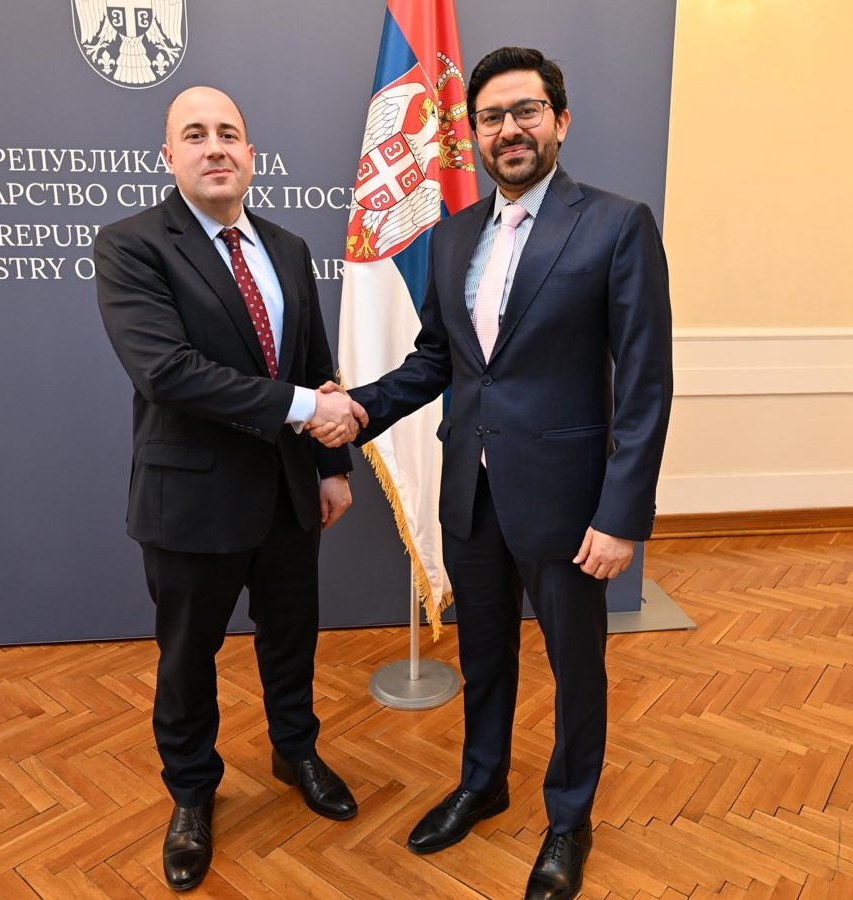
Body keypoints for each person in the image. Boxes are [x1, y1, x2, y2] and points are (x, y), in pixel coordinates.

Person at [334, 46, 673, 900]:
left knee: (576, 669)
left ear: (561, 121)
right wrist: (360, 407)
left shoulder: (617, 225)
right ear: (474, 135)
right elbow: (437, 361)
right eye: (491, 117)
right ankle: (483, 782)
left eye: (526, 111)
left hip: (569, 504)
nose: (509, 129)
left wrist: (621, 514)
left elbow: (645, 385)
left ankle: (569, 819)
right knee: (484, 654)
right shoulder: (454, 235)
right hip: (472, 493)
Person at [94, 85, 365, 892]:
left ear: (250, 155)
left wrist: (332, 466)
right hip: (191, 503)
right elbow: (168, 372)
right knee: (188, 658)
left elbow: (313, 361)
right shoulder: (132, 245)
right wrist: (305, 408)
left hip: (289, 494)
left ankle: (295, 752)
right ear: (168, 156)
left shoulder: (287, 247)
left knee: (292, 639)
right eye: (195, 134)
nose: (214, 147)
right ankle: (191, 793)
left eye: (228, 133)